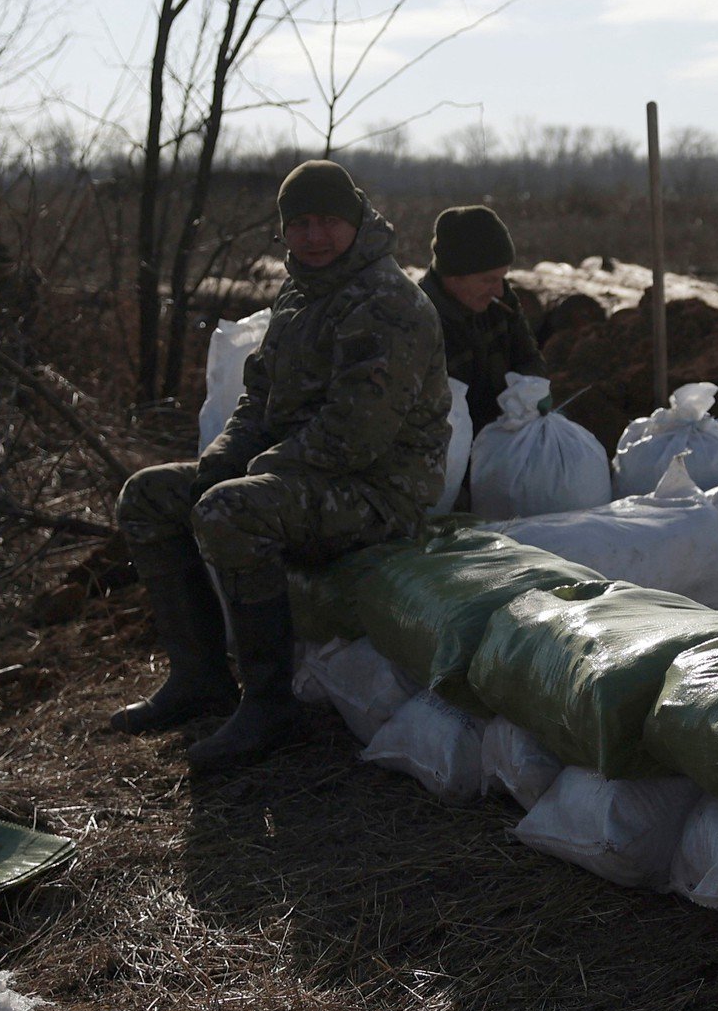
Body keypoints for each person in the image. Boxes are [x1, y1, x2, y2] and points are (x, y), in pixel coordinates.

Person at [114, 160, 451, 769]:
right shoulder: (301, 291)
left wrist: (254, 474)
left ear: (355, 221)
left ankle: (268, 704)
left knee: (230, 511)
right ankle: (199, 678)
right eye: (299, 224)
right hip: (299, 476)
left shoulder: (388, 303)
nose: (314, 236)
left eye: (327, 221)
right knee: (147, 496)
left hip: (376, 492)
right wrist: (223, 457)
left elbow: (354, 438)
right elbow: (259, 397)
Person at [421, 204, 545, 435]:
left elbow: (528, 358)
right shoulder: (418, 321)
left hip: (508, 435)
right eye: (488, 280)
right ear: (454, 277)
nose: (498, 291)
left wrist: (529, 394)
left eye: (502, 278)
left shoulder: (501, 303)